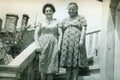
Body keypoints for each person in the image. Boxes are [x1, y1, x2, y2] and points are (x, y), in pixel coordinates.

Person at [60, 2, 88, 80]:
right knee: (68, 62)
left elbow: (83, 29)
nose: (71, 10)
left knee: (76, 60)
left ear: (76, 9)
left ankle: (75, 78)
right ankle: (67, 78)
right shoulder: (64, 20)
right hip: (66, 43)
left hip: (77, 41)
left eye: (73, 9)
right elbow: (61, 32)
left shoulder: (81, 18)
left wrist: (82, 40)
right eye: (69, 9)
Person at [34, 3, 62, 80]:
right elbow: (36, 34)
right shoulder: (41, 22)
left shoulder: (57, 22)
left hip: (53, 45)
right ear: (44, 12)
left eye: (50, 11)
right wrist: (37, 45)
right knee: (43, 65)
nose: (48, 12)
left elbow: (60, 34)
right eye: (46, 11)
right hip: (42, 44)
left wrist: (59, 46)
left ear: (53, 12)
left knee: (51, 66)